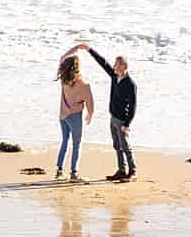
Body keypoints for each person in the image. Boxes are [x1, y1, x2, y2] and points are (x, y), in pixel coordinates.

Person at [80, 41, 138, 181]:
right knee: (116, 145)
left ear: (123, 67)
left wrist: (127, 124)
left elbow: (133, 106)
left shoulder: (130, 84)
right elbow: (103, 63)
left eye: (116, 65)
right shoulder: (114, 76)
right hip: (113, 117)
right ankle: (121, 170)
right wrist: (90, 50)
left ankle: (133, 171)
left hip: (122, 120)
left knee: (125, 146)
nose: (113, 67)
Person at [54, 46, 94, 182]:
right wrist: (90, 114)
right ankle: (74, 173)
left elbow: (62, 58)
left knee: (65, 141)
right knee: (77, 143)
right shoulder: (83, 85)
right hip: (75, 116)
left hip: (62, 115)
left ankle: (59, 170)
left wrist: (76, 48)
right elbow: (90, 102)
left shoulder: (64, 79)